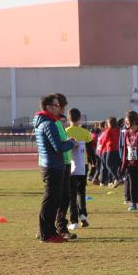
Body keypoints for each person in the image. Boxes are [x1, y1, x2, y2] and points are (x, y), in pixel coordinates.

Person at [33, 94, 75, 243]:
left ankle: (49, 232)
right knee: (51, 201)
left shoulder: (45, 122)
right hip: (52, 166)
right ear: (48, 107)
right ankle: (47, 234)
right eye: (57, 105)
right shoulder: (48, 124)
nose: (60, 108)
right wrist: (71, 143)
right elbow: (58, 147)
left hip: (52, 165)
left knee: (53, 200)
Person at [52, 93, 77, 240]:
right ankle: (60, 227)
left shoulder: (58, 122)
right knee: (60, 197)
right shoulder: (54, 123)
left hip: (65, 162)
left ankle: (47, 226)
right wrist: (70, 143)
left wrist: (68, 140)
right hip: (60, 163)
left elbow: (61, 141)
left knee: (59, 197)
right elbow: (58, 145)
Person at [65, 108, 94, 230]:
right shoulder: (85, 132)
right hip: (84, 165)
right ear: (80, 118)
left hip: (70, 166)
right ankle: (83, 215)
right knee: (81, 192)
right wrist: (93, 163)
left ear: (68, 118)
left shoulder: (65, 131)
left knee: (71, 194)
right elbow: (90, 150)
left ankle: (74, 220)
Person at [120, 111, 138, 211]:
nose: (126, 123)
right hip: (130, 163)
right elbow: (125, 150)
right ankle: (133, 203)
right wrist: (123, 165)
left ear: (134, 121)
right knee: (132, 184)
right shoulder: (127, 133)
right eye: (125, 121)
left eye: (128, 121)